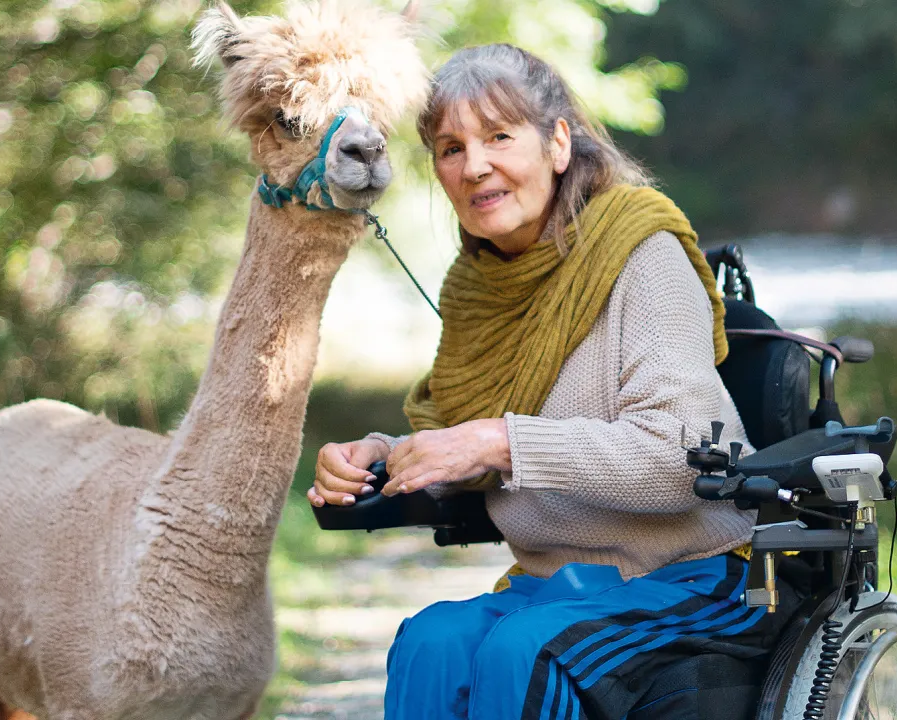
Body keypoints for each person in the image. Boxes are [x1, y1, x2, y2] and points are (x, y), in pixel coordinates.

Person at [308, 44, 802, 720]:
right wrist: (380, 455)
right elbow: (463, 436)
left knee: (525, 651)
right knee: (431, 642)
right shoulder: (478, 288)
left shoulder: (641, 251)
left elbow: (680, 456)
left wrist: (500, 443)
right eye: (450, 148)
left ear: (559, 143)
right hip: (555, 584)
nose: (473, 164)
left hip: (696, 576)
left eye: (499, 136)